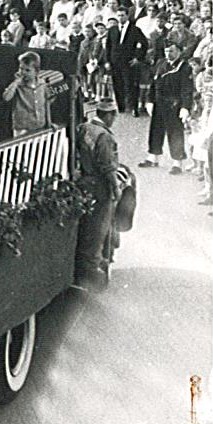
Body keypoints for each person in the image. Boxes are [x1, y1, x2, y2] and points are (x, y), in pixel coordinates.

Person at [75, 98, 119, 292]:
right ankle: (91, 271)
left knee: (86, 226)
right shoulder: (104, 136)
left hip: (84, 181)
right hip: (99, 186)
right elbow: (107, 166)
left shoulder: (84, 128)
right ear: (108, 115)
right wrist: (115, 187)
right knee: (98, 229)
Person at [141, 40, 195, 173]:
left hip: (174, 104)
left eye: (171, 51)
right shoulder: (161, 63)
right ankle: (153, 157)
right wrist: (149, 100)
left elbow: (186, 89)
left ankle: (177, 162)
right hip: (159, 102)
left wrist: (185, 107)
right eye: (166, 51)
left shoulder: (184, 67)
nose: (168, 53)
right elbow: (153, 84)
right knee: (155, 130)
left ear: (179, 52)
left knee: (175, 133)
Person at [2, 51, 62, 136]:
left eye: (27, 70)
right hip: (22, 128)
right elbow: (6, 97)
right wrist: (15, 83)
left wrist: (49, 122)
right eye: (21, 68)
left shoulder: (42, 84)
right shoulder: (17, 85)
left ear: (36, 71)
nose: (23, 72)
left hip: (39, 126)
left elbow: (46, 103)